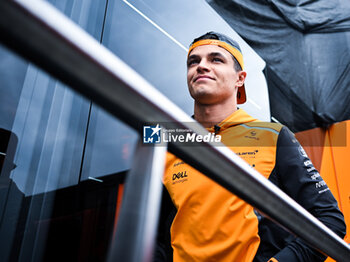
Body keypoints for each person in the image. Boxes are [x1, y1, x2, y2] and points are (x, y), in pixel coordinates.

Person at [154, 32, 346, 262]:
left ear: (240, 78)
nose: (201, 66)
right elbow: (154, 237)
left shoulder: (273, 136)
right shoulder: (168, 143)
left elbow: (329, 219)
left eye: (216, 59)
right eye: (193, 61)